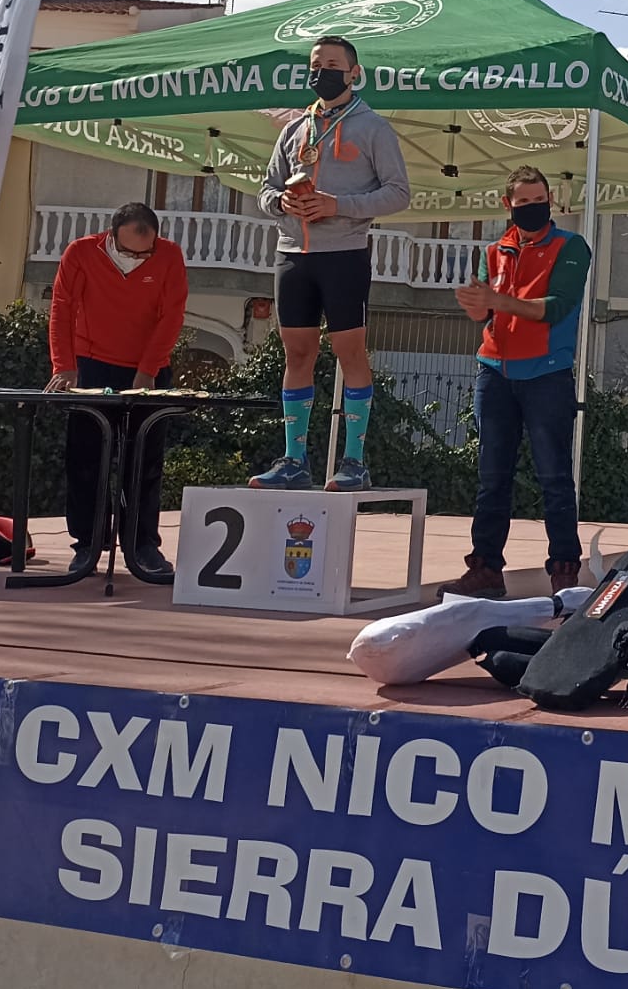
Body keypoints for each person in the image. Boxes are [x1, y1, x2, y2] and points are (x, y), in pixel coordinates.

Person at [251, 35, 411, 491]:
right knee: (297, 353)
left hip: (344, 254)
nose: (322, 73)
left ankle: (354, 462)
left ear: (354, 74)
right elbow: (266, 188)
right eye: (316, 65)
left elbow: (399, 192)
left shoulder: (373, 127)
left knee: (350, 352)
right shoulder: (294, 129)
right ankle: (294, 460)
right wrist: (280, 202)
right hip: (292, 254)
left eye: (333, 65)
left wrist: (337, 205)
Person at [446, 166, 593, 598]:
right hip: (494, 372)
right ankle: (486, 568)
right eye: (524, 201)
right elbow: (486, 315)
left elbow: (557, 307)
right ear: (506, 205)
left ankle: (564, 569)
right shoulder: (494, 251)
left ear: (551, 200)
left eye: (539, 200)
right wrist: (478, 307)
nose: (533, 208)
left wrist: (497, 301)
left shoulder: (571, 246)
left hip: (547, 374)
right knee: (492, 477)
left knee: (554, 477)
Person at [46, 202, 188, 576]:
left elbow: (172, 315)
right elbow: (62, 308)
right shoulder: (80, 252)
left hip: (148, 370)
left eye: (145, 252)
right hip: (92, 364)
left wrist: (147, 370)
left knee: (144, 460)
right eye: (128, 251)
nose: (137, 258)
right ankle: (88, 544)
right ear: (111, 237)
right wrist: (65, 367)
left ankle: (143, 546)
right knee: (85, 459)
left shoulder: (170, 256)